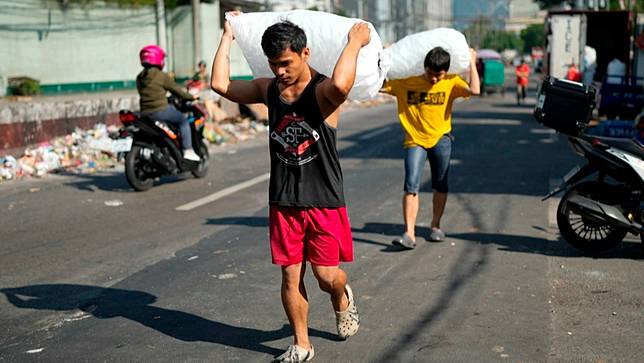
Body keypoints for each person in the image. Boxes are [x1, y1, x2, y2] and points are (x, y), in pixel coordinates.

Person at [211, 15, 370, 362]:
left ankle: (341, 296)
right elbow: (220, 85)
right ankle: (301, 344)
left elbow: (343, 87)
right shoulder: (269, 90)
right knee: (289, 276)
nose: (280, 70)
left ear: (305, 53)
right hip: (283, 200)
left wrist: (355, 42)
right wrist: (228, 36)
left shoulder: (323, 92)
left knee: (327, 276)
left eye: (285, 62)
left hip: (324, 200)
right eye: (273, 64)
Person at [382, 47, 480, 249]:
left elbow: (476, 90)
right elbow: (378, 85)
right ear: (424, 67)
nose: (434, 79)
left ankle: (435, 225)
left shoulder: (451, 82)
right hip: (415, 139)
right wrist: (383, 59)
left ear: (445, 72)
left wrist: (471, 61)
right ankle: (409, 233)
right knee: (411, 184)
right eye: (430, 74)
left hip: (441, 139)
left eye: (439, 75)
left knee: (440, 184)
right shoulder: (406, 82)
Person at [136, 45, 200, 161]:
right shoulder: (162, 76)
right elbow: (178, 91)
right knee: (183, 121)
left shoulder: (140, 77)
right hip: (160, 111)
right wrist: (192, 97)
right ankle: (188, 150)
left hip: (145, 113)